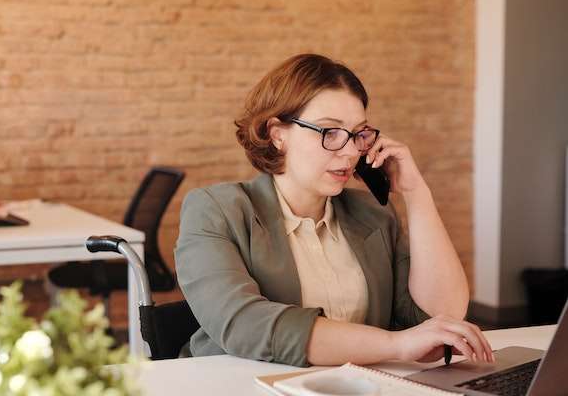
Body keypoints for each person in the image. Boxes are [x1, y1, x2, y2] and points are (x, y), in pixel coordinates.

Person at [174, 54, 493, 367]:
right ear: (278, 134)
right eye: (330, 131)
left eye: (358, 133)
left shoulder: (371, 213)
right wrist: (395, 344)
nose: (352, 150)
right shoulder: (215, 209)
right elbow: (243, 323)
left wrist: (415, 192)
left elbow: (442, 316)